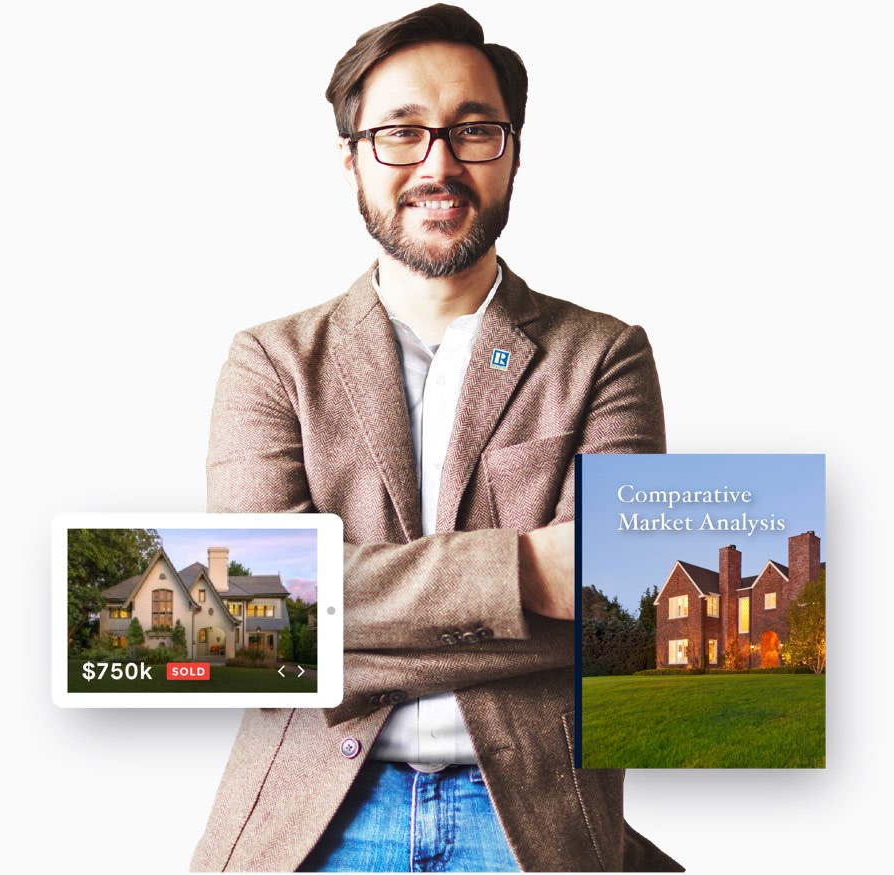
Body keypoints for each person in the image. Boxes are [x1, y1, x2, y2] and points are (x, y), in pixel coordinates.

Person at [192, 4, 680, 872]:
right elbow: (249, 613)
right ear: (350, 160)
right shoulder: (269, 361)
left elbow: (622, 619)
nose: (439, 164)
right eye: (401, 133)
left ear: (515, 152)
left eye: (473, 130)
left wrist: (342, 611)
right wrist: (527, 571)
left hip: (534, 817)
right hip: (314, 817)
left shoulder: (604, 356)